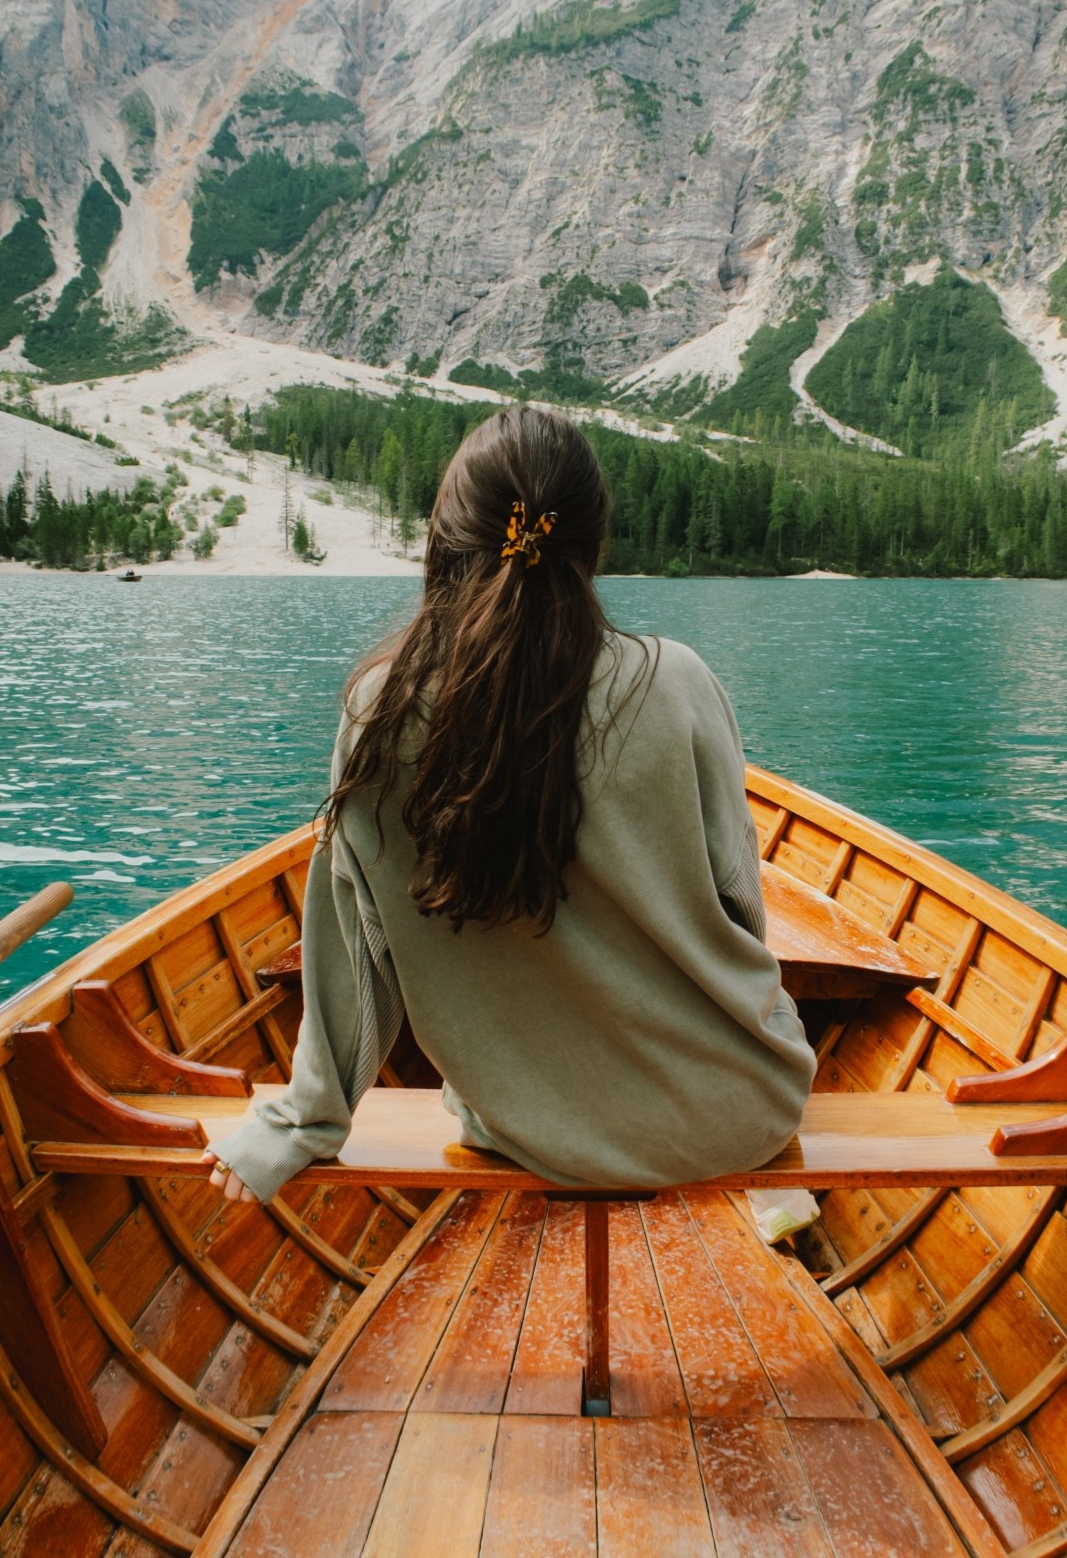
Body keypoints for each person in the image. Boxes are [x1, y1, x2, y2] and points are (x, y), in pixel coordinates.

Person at [206, 405, 815, 1205]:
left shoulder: (378, 708)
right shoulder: (680, 681)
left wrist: (304, 1121)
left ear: (448, 536)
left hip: (528, 1131)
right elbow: (739, 908)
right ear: (593, 541)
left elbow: (359, 951)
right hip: (740, 1112)